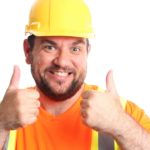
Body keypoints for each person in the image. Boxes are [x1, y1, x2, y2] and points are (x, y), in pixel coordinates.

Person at [0, 0, 150, 149]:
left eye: (75, 49)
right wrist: (1, 123)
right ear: (28, 51)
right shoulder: (8, 112)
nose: (62, 61)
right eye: (50, 47)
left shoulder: (123, 113)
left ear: (87, 52)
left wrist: (119, 123)